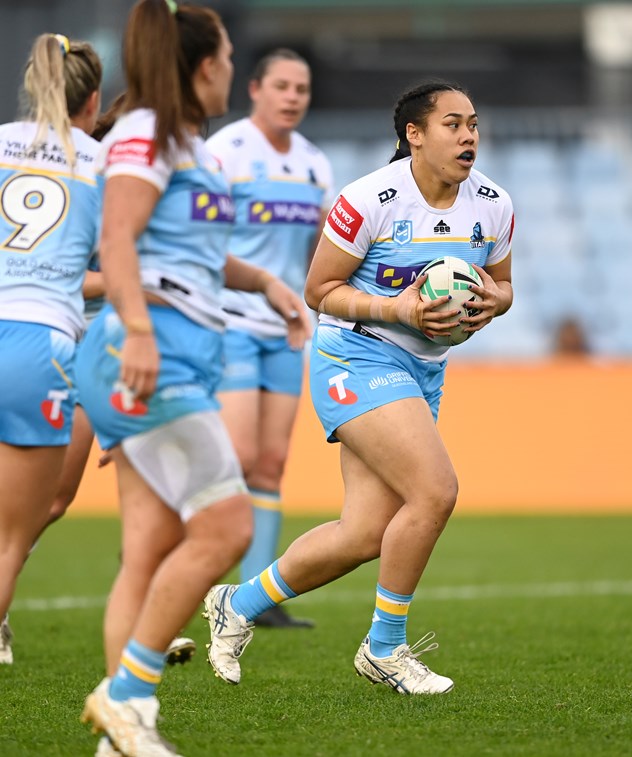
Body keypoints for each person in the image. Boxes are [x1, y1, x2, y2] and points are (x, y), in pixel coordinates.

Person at [203, 79, 515, 695]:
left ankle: (236, 604)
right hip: (356, 355)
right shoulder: (369, 198)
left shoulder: (493, 204)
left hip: (424, 369)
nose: (469, 136)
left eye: (474, 123)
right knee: (435, 492)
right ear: (415, 135)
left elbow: (504, 287)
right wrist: (399, 311)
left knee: (365, 533)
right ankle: (385, 648)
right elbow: (320, 290)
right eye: (453, 124)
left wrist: (488, 305)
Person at [76, 2, 309, 755]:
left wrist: (266, 285)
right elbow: (117, 240)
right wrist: (139, 334)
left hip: (179, 352)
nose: (234, 68)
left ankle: (121, 739)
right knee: (229, 527)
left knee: (149, 550)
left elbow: (199, 256)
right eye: (232, 56)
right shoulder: (145, 131)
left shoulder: (195, 148)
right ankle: (125, 699)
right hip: (151, 353)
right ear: (205, 65)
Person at [206, 49, 334, 629]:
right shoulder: (225, 152)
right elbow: (200, 239)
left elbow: (319, 252)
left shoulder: (314, 164)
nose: (292, 97)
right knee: (235, 457)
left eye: (301, 88)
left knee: (272, 462)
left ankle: (256, 600)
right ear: (254, 88)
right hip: (229, 317)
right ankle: (192, 565)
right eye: (281, 85)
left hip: (285, 331)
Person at [0, 32, 103, 665]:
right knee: (15, 535)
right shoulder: (98, 162)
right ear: (92, 101)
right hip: (38, 343)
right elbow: (119, 269)